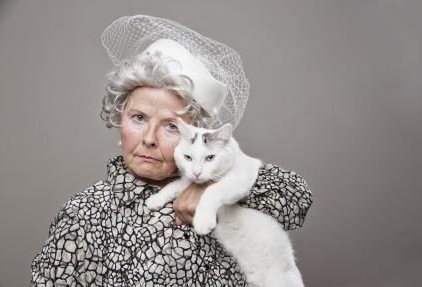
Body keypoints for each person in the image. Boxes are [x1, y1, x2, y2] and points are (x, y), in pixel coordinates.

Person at [30, 15, 313, 287]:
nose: (150, 139)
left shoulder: (223, 183)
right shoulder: (86, 213)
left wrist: (209, 190)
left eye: (170, 126)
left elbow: (298, 199)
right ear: (119, 118)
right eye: (138, 118)